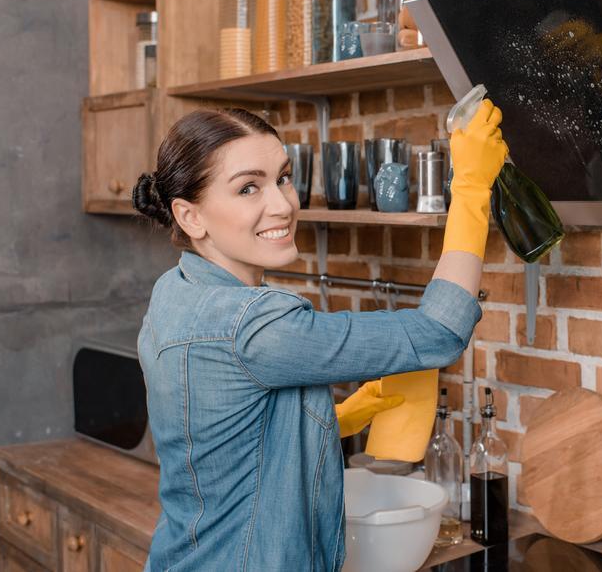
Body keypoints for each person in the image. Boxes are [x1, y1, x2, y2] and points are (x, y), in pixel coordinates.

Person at [131, 101, 506, 571]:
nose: (282, 204)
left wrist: (341, 418)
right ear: (190, 217)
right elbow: (440, 331)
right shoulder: (254, 323)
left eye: (283, 177)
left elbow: (221, 426)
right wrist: (471, 188)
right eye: (249, 188)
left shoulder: (175, 293)